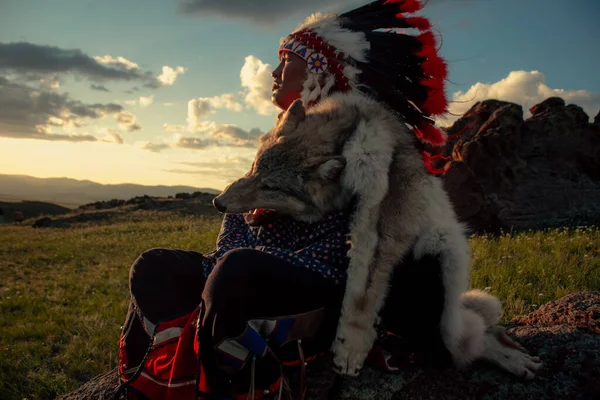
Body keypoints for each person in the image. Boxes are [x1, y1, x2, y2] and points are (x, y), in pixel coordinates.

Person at [117, 1, 450, 399]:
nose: (274, 73)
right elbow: (236, 229)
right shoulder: (280, 138)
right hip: (256, 279)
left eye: (287, 60)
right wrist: (220, 268)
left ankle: (243, 362)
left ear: (322, 70)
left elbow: (353, 249)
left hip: (325, 290)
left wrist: (241, 269)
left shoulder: (362, 145)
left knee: (236, 273)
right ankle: (205, 344)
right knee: (153, 267)